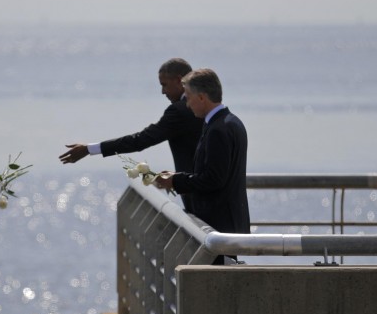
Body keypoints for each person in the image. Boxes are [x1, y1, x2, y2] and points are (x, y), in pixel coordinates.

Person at [58, 58, 203, 211]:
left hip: (200, 196)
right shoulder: (202, 105)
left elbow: (141, 141)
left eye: (164, 85)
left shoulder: (180, 110)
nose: (162, 92)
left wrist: (89, 149)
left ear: (179, 81)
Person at [154, 68, 250, 264]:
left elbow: (213, 179)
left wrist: (175, 180)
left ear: (202, 98)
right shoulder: (231, 122)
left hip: (219, 225)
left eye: (188, 98)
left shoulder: (217, 129)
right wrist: (178, 177)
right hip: (229, 222)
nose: (187, 104)